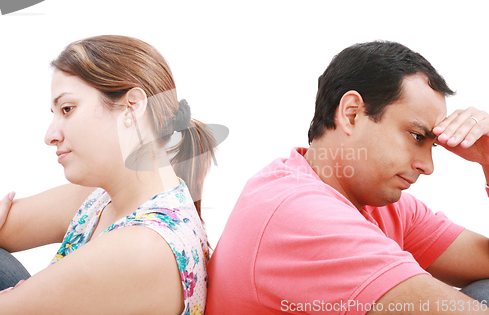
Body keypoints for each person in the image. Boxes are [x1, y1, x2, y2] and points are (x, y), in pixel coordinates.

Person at [205, 41, 489, 314]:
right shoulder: (299, 214)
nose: (428, 166)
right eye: (416, 136)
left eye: (433, 145)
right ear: (351, 114)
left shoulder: (380, 203)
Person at [0, 35, 216, 315]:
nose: (50, 135)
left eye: (67, 109)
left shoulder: (142, 247)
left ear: (132, 106)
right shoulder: (101, 199)